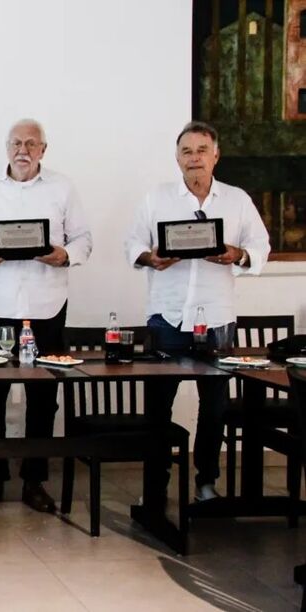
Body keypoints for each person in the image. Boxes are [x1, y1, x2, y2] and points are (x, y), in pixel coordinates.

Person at [124, 120, 270, 504]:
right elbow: (133, 243)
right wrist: (150, 257)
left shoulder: (237, 200)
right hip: (166, 317)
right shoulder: (157, 198)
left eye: (202, 151)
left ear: (215, 156)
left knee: (215, 407)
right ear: (177, 158)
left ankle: (206, 482)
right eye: (186, 152)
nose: (194, 159)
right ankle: (155, 487)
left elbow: (261, 248)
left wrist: (235, 254)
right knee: (158, 406)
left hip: (217, 319)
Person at [0, 118, 93, 513]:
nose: (23, 150)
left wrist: (64, 255)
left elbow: (83, 238)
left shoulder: (62, 186)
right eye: (17, 143)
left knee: (43, 396)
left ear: (43, 151)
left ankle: (35, 482)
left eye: (32, 144)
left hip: (47, 303)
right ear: (6, 148)